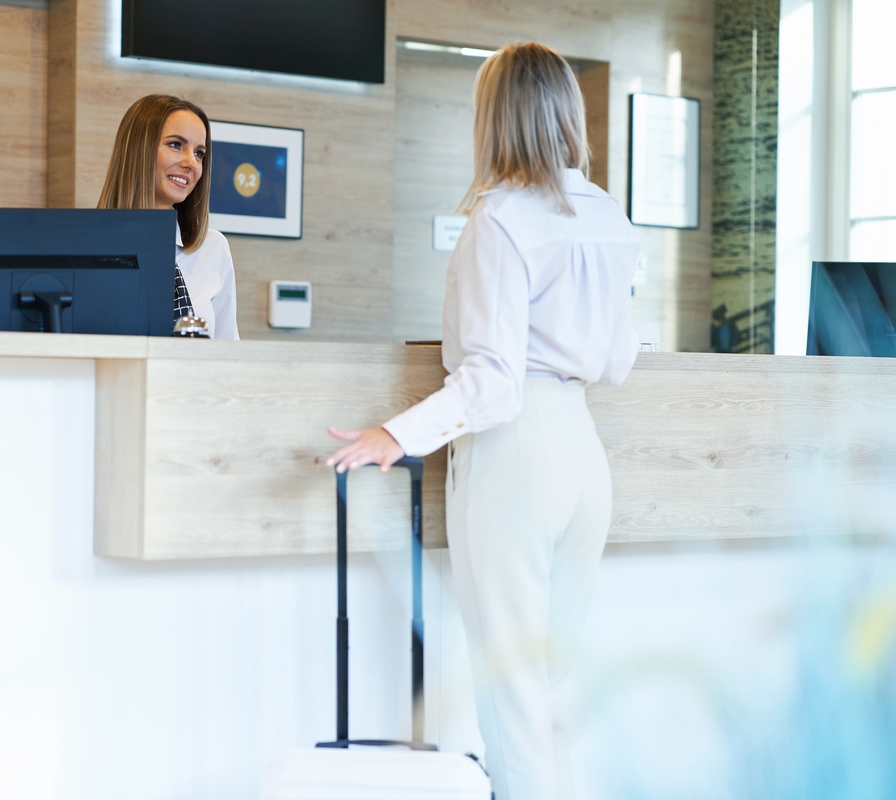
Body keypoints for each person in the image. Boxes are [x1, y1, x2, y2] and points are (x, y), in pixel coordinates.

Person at [326, 42, 640, 800]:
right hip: (584, 455)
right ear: (566, 112)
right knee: (555, 683)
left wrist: (396, 434)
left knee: (512, 689)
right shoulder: (608, 215)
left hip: (514, 457)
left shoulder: (499, 220)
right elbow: (622, 357)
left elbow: (493, 384)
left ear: (493, 118)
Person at [98, 94, 239, 339]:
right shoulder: (91, 244)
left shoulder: (213, 248)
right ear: (138, 149)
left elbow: (228, 352)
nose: (191, 163)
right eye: (176, 145)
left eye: (199, 153)